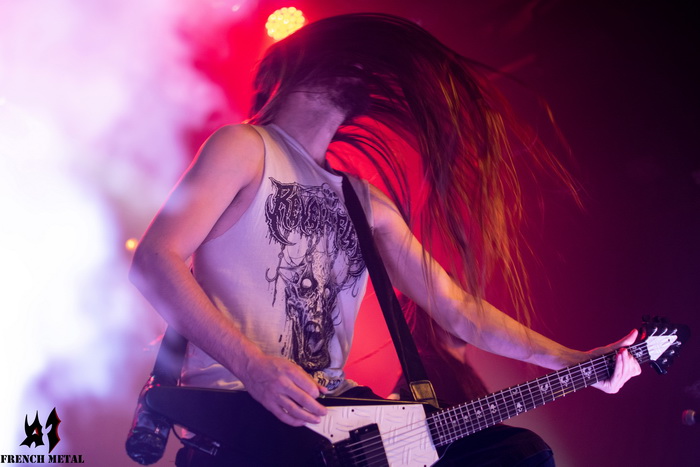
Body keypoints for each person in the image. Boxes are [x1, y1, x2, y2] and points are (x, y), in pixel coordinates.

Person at [129, 13, 641, 466]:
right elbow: (154, 260)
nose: (363, 69)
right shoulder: (244, 146)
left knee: (516, 453)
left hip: (335, 426)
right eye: (351, 59)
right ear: (299, 65)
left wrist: (574, 361)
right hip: (241, 419)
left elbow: (459, 310)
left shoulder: (363, 200)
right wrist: (253, 366)